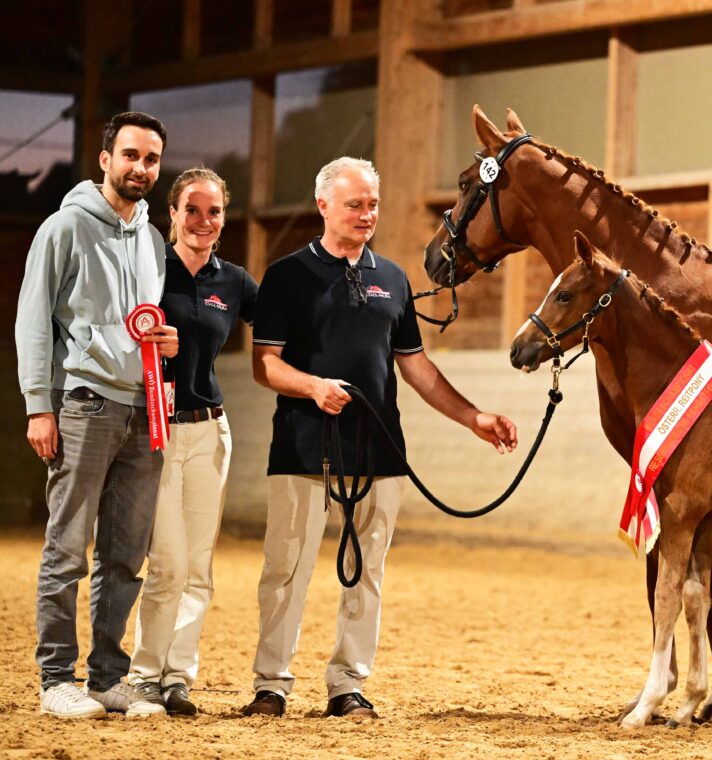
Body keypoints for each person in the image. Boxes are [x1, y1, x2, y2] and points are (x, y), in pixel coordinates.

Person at [243, 157, 518, 719]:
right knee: (285, 571)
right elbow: (264, 365)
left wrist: (473, 417)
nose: (366, 214)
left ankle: (348, 685)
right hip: (301, 449)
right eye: (354, 204)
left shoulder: (391, 278)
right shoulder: (286, 276)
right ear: (324, 206)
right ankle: (271, 684)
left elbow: (416, 369)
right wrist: (313, 387)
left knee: (368, 574)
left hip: (379, 453)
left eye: (372, 204)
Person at [16, 111, 180, 719]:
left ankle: (109, 677)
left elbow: (143, 321)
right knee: (67, 548)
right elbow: (33, 321)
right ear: (106, 160)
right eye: (131, 155)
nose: (142, 168)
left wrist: (163, 347)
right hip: (83, 405)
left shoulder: (153, 239)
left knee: (125, 553)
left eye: (152, 159)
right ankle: (56, 679)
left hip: (143, 411)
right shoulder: (62, 228)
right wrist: (40, 406)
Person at [126, 168, 258, 716]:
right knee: (168, 563)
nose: (204, 221)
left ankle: (178, 677)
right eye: (192, 210)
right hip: (156, 430)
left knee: (199, 565)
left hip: (211, 430)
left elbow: (287, 327)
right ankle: (141, 675)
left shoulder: (236, 282)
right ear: (172, 215)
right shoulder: (148, 271)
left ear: (224, 217)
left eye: (214, 211)